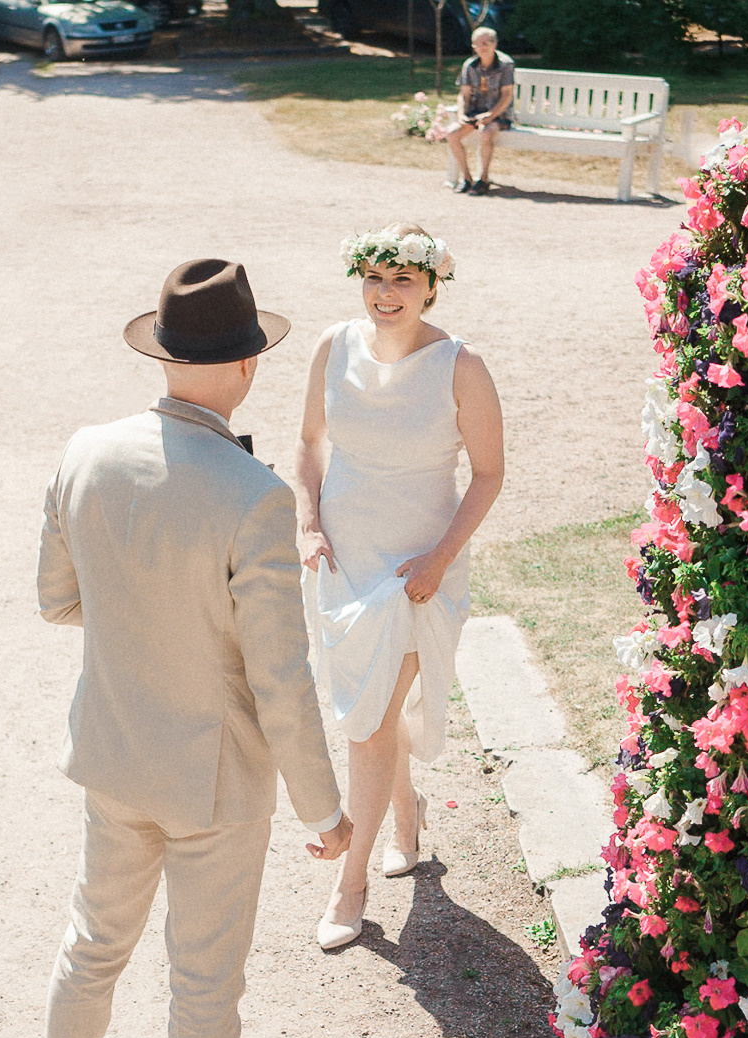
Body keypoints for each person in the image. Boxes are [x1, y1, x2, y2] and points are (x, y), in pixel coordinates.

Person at [33, 259, 355, 1038]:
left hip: (112, 751)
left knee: (93, 946)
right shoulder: (252, 494)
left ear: (166, 355)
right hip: (212, 779)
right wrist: (324, 809)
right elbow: (280, 678)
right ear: (249, 364)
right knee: (204, 984)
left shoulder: (85, 451)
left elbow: (55, 600)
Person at [296, 225, 504, 951]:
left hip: (416, 570)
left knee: (370, 721)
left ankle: (349, 884)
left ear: (432, 287)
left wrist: (440, 559)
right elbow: (310, 443)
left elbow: (488, 473)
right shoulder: (332, 345)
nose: (387, 295)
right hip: (344, 561)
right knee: (370, 706)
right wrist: (308, 521)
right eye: (375, 279)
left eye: (404, 281)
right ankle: (405, 810)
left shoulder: (460, 365)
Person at [445, 27, 514, 196]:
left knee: (486, 133)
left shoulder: (505, 64)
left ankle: (483, 179)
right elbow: (464, 94)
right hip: (475, 114)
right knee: (453, 135)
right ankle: (466, 179)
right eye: (479, 43)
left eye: (487, 43)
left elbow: (507, 96)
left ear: (495, 44)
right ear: (474, 46)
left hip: (499, 115)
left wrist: (491, 115)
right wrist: (461, 114)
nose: (483, 47)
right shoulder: (469, 65)